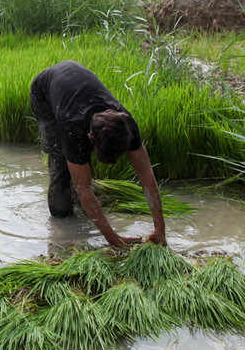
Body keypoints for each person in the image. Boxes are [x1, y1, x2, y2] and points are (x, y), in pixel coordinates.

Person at [30, 60, 165, 249]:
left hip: (75, 84)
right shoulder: (74, 129)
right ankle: (62, 225)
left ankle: (85, 214)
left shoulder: (125, 124)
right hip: (44, 92)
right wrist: (113, 239)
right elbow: (83, 188)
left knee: (79, 168)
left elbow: (147, 177)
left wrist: (160, 229)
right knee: (60, 165)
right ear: (90, 139)